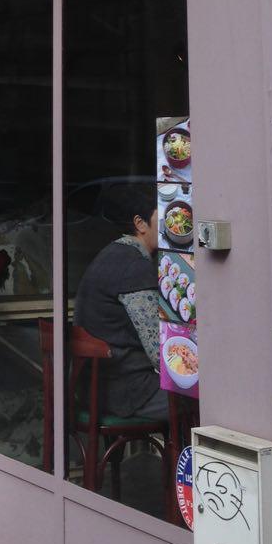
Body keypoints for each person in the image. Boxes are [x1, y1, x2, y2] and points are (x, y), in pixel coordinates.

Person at [73, 180, 168, 421]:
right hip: (128, 392)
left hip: (92, 389)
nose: (170, 226)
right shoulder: (134, 267)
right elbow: (160, 351)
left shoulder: (110, 254)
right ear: (140, 223)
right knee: (207, 398)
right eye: (162, 217)